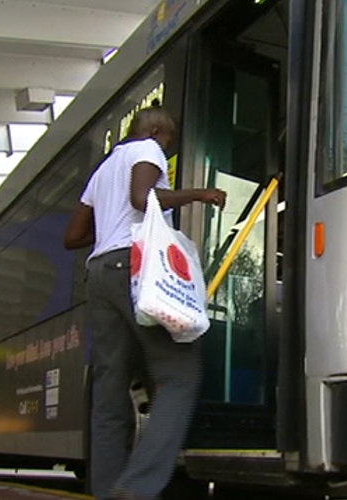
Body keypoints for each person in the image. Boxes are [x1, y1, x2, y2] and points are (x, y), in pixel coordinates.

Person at [64, 107, 226, 500]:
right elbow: (142, 198)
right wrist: (199, 194)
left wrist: (110, 229)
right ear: (155, 132)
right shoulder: (147, 149)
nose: (165, 151)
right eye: (167, 143)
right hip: (132, 267)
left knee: (109, 387)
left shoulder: (102, 172)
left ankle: (106, 489)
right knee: (178, 374)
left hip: (99, 272)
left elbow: (72, 237)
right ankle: (137, 487)